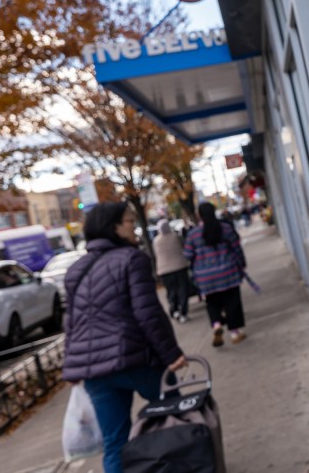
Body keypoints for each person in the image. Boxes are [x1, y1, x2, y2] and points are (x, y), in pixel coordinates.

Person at [63, 202, 187, 473]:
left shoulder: (75, 271)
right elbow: (148, 314)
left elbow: (71, 323)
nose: (135, 227)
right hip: (137, 360)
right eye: (130, 221)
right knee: (171, 421)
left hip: (96, 373)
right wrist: (172, 354)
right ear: (114, 228)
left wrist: (70, 365)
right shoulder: (133, 259)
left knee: (115, 442)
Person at [185, 202, 248, 346]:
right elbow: (236, 248)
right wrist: (242, 264)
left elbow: (188, 255)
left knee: (212, 303)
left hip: (206, 277)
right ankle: (235, 333)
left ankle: (216, 324)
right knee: (232, 302)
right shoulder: (225, 229)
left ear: (198, 215)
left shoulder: (193, 234)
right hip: (228, 272)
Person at [153, 219, 190, 323]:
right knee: (183, 290)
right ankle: (183, 312)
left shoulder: (156, 241)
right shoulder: (175, 237)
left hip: (164, 270)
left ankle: (174, 309)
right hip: (180, 267)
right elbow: (183, 247)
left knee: (171, 291)